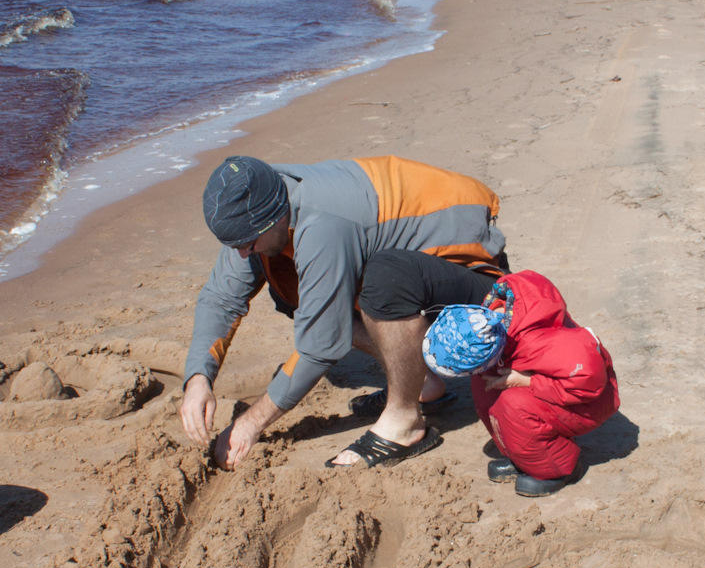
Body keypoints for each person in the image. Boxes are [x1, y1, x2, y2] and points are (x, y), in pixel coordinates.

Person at [180, 154, 509, 470]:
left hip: (479, 283)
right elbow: (221, 299)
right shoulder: (259, 206)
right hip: (417, 272)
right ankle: (423, 383)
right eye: (233, 243)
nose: (240, 253)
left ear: (275, 216)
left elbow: (319, 346)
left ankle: (405, 423)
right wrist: (198, 378)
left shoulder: (322, 224)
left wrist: (251, 423)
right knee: (291, 286)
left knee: (381, 282)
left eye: (247, 243)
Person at [422, 271, 618, 497]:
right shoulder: (493, 319)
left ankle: (558, 468)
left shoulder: (545, 343)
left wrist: (528, 381)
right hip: (551, 379)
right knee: (485, 385)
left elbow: (587, 382)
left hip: (589, 398)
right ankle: (525, 456)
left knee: (514, 404)